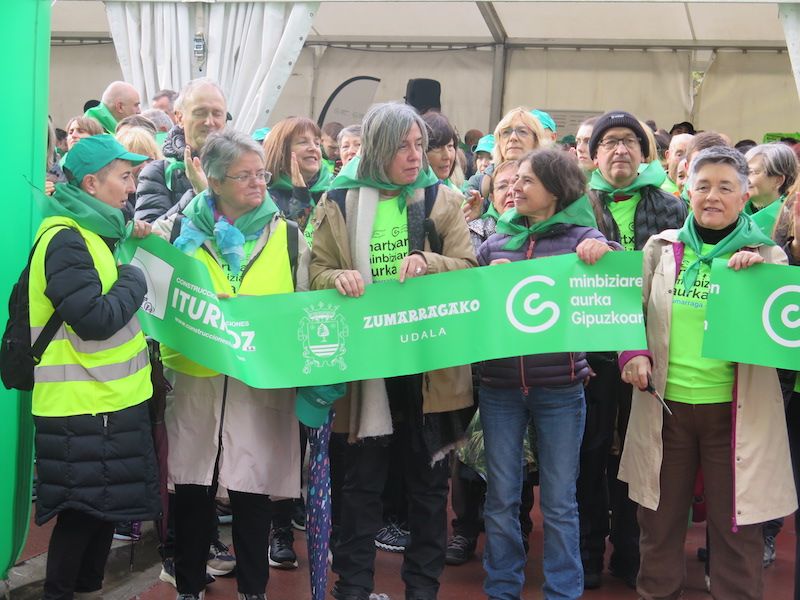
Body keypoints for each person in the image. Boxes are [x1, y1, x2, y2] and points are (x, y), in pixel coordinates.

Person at [309, 101, 476, 600]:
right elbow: (314, 273)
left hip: (429, 372)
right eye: (401, 146)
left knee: (427, 495)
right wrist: (335, 276)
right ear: (377, 148)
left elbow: (470, 267)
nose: (413, 155)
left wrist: (428, 261)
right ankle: (352, 589)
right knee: (360, 491)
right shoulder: (336, 202)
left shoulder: (440, 198)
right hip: (364, 373)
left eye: (419, 145)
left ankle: (422, 590)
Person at [619, 145, 797, 599]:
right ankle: (657, 591)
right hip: (666, 409)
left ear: (744, 196)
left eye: (725, 187)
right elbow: (628, 314)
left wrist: (760, 282)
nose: (711, 196)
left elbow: (779, 328)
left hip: (735, 417)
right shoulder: (661, 249)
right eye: (702, 186)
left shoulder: (767, 257)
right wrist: (632, 353)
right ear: (687, 192)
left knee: (737, 526)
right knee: (658, 521)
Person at [152, 129, 310, 600]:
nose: (258, 183)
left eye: (261, 173)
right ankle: (188, 583)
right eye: (244, 176)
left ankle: (253, 589)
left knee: (252, 486)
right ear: (214, 180)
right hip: (195, 373)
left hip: (257, 379)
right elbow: (152, 292)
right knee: (192, 485)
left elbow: (303, 304)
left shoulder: (288, 237)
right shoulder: (178, 232)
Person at [477, 148, 619, 600]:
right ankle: (502, 587)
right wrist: (484, 283)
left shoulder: (583, 237)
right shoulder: (495, 242)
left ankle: (563, 590)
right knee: (500, 498)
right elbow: (471, 308)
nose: (514, 188)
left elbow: (618, 273)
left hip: (561, 388)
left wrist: (606, 250)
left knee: (559, 502)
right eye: (514, 179)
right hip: (499, 388)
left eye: (527, 181)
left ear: (556, 193)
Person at [31, 134, 160, 599]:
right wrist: (134, 277)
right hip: (81, 405)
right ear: (91, 182)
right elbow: (96, 319)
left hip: (105, 401)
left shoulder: (96, 233)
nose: (131, 188)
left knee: (102, 512)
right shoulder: (67, 239)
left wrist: (126, 241)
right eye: (125, 177)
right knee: (82, 513)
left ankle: (84, 590)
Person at [580, 110, 688, 590]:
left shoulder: (672, 209)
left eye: (630, 142)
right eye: (610, 143)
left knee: (642, 456)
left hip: (652, 353)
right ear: (594, 154)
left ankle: (630, 553)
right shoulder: (575, 206)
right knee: (590, 453)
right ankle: (586, 554)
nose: (620, 149)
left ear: (645, 155)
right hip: (590, 355)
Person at [135, 78, 228, 223]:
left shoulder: (242, 168)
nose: (210, 122)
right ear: (179, 117)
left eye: (217, 114)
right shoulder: (157, 173)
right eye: (200, 113)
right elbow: (148, 239)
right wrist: (197, 195)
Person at [263, 116, 334, 237]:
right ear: (281, 151)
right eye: (303, 142)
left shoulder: (333, 190)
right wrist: (300, 196)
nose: (313, 148)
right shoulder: (266, 196)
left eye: (317, 143)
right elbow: (289, 240)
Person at [744, 142, 798, 235]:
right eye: (743, 171)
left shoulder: (790, 220)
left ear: (778, 181)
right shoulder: (736, 209)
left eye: (752, 172)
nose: (744, 178)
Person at [423, 112, 459, 191]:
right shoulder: (406, 196)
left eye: (450, 146)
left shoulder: (456, 196)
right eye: (438, 147)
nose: (447, 156)